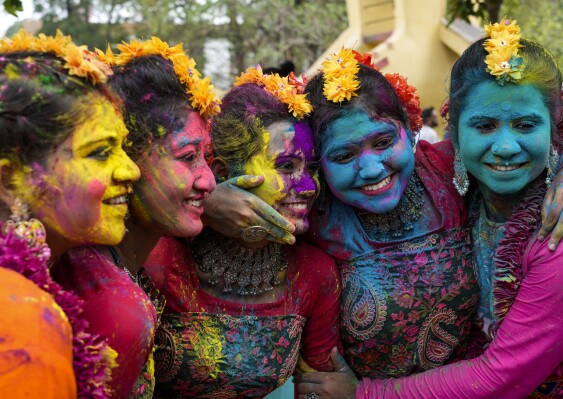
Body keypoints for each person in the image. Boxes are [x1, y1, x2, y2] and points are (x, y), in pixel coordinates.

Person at [202, 47, 563, 399]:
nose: (372, 167)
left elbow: (540, 121)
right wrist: (211, 202)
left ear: (409, 131)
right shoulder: (310, 207)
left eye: (382, 141)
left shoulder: (444, 171)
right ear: (318, 165)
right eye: (343, 155)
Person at [143, 66, 342, 398]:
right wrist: (207, 202)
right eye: (286, 166)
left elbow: (318, 388)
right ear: (222, 171)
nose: (308, 187)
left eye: (313, 169)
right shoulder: (161, 259)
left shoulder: (316, 273)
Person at [51, 37, 220, 398]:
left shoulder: (127, 265)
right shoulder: (112, 304)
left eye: (208, 157)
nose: (210, 181)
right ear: (128, 160)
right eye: (188, 157)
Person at [0, 30, 141, 398]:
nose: (131, 170)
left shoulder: (60, 272)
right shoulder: (20, 320)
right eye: (99, 152)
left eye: (123, 148)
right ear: (10, 180)